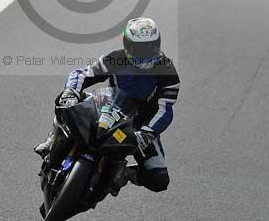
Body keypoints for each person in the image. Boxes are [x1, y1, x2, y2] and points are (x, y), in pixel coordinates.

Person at [34, 17, 180, 193]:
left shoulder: (168, 72)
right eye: (139, 48)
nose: (145, 53)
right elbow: (82, 74)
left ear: (157, 44)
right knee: (64, 100)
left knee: (159, 178)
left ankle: (124, 174)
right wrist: (70, 91)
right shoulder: (116, 58)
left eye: (150, 47)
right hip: (107, 107)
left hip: (140, 127)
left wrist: (149, 132)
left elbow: (165, 109)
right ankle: (53, 140)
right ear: (127, 44)